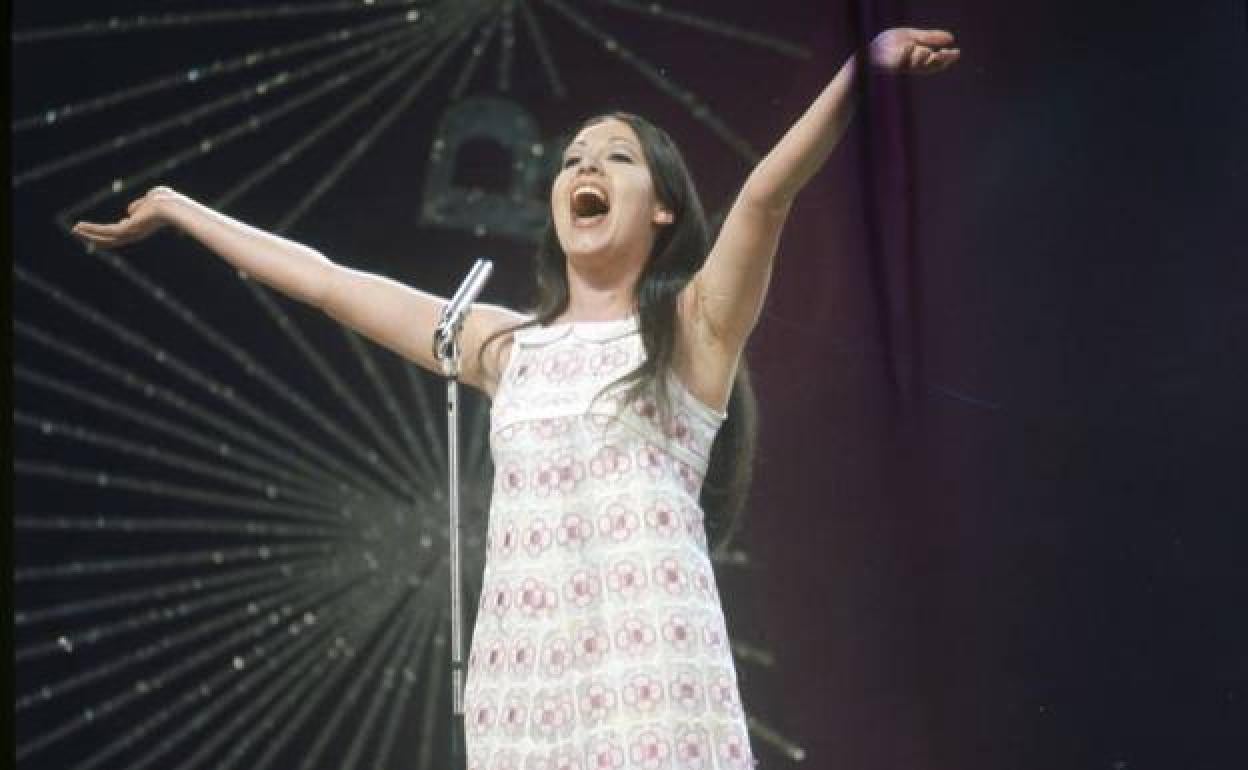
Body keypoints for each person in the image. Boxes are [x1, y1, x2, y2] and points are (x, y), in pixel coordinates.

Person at [74, 26, 958, 769]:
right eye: (573, 159)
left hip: (654, 686)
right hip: (526, 693)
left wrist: (862, 73)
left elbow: (765, 197)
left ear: (662, 209)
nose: (585, 166)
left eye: (615, 157)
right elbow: (329, 282)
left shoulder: (693, 331)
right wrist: (181, 208)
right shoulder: (506, 348)